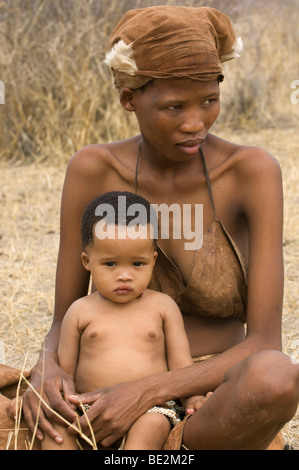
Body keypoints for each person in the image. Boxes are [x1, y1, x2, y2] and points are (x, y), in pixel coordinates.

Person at [4, 5, 299, 450]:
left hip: (207, 398)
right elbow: (64, 317)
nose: (195, 122)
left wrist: (149, 391)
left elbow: (263, 341)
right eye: (174, 106)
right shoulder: (93, 169)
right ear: (128, 98)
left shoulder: (251, 172)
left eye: (209, 101)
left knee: (276, 376)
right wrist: (50, 368)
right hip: (98, 391)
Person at [41, 191, 202, 450]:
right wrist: (59, 403)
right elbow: (66, 371)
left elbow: (181, 364)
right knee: (54, 431)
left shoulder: (163, 307)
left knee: (151, 427)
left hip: (150, 408)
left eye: (138, 264)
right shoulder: (80, 311)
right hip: (87, 408)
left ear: (153, 261)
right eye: (111, 263)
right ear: (87, 262)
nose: (124, 275)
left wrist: (193, 397)